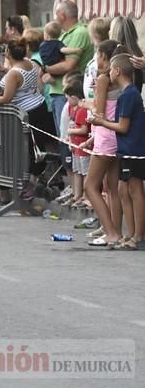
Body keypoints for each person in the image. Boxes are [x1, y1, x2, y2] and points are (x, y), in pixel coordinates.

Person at [0, 38, 54, 199]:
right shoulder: (29, 63)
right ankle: (32, 181)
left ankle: (30, 183)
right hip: (39, 104)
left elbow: (7, 97)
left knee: (31, 148)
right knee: (36, 146)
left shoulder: (14, 74)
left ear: (8, 52)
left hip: (28, 112)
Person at [91, 53, 145, 250]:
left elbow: (122, 127)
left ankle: (139, 236)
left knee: (136, 190)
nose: (108, 73)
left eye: (111, 69)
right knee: (128, 189)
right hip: (128, 148)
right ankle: (132, 234)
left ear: (117, 71)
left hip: (134, 149)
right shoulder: (128, 94)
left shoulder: (128, 95)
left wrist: (101, 122)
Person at [82, 41, 126, 246]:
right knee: (112, 187)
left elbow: (98, 112)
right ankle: (116, 230)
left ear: (103, 56)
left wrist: (87, 105)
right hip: (116, 135)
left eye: (98, 55)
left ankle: (110, 231)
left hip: (105, 136)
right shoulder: (121, 79)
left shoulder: (103, 79)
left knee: (90, 185)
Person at [43, 0, 94, 134]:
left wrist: (46, 69)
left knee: (66, 137)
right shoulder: (63, 34)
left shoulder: (79, 33)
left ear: (62, 16)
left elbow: (68, 65)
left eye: (56, 13)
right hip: (58, 91)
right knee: (61, 137)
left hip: (68, 93)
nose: (54, 17)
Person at [64, 80, 90, 208]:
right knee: (77, 171)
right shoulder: (72, 109)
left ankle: (85, 196)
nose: (66, 99)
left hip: (83, 147)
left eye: (67, 97)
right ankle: (77, 195)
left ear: (74, 97)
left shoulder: (82, 111)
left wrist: (70, 131)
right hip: (75, 147)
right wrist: (69, 139)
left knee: (85, 172)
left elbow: (84, 129)